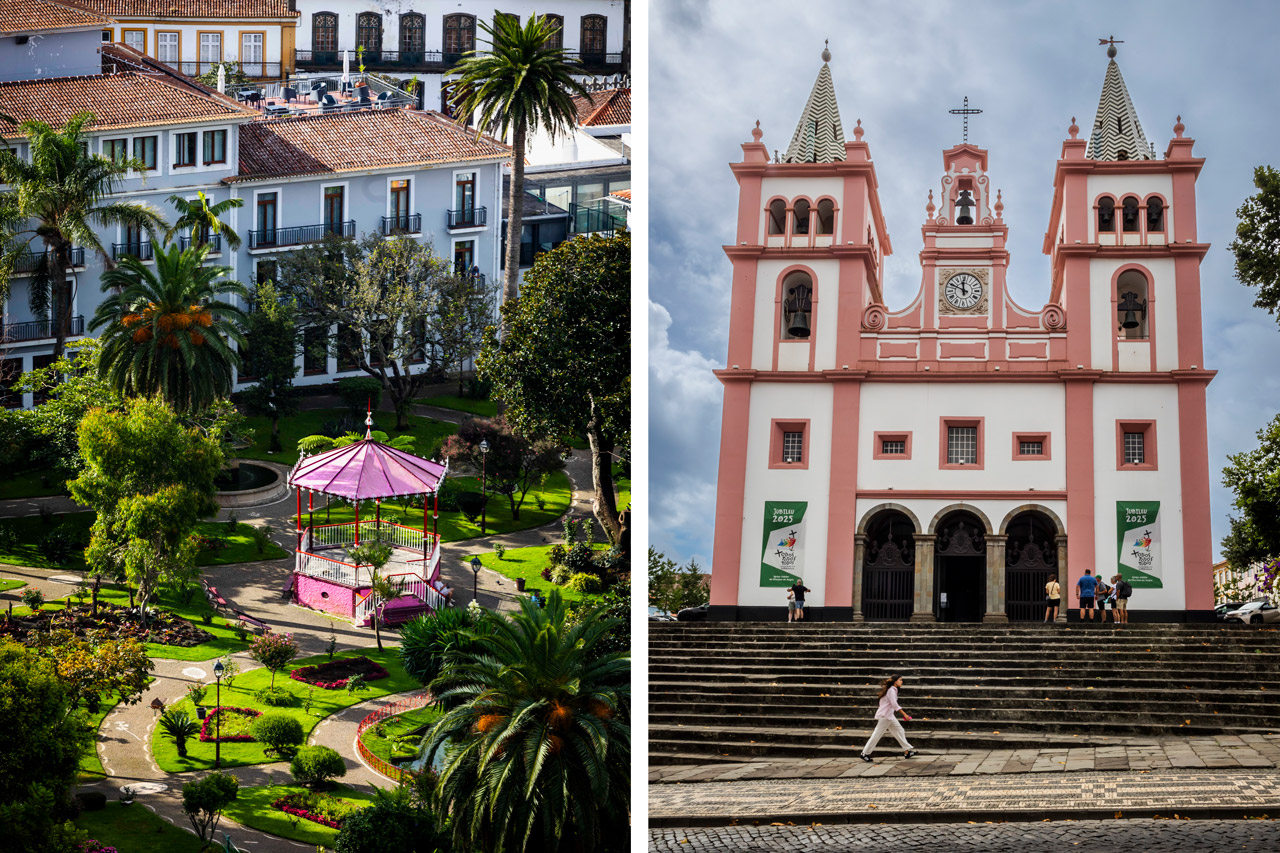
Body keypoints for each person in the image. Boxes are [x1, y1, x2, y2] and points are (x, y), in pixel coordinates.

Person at [859, 674, 917, 761]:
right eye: (900, 680)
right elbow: (894, 704)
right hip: (885, 716)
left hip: (889, 716)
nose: (902, 681)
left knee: (899, 730)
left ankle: (907, 752)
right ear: (895, 681)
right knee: (877, 734)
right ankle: (864, 753)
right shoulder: (891, 690)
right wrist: (904, 714)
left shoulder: (893, 690)